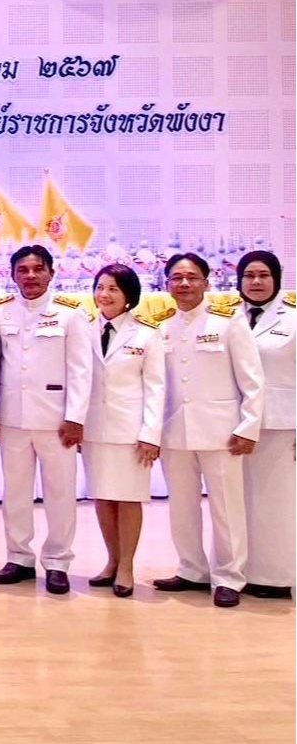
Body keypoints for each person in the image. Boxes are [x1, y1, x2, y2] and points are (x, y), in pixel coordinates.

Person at [153, 252, 263, 608]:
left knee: (227, 508)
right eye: (176, 278)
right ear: (166, 284)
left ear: (206, 281)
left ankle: (230, 576)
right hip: (174, 432)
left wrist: (249, 426)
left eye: (192, 278)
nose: (184, 284)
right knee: (181, 506)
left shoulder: (229, 323)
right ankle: (191, 569)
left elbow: (252, 380)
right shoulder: (162, 327)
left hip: (222, 433)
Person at [0, 244, 92, 596]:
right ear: (13, 275)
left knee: (60, 493)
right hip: (13, 418)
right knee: (15, 493)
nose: (30, 276)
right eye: (23, 270)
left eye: (37, 269)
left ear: (51, 273)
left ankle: (58, 561)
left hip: (56, 420)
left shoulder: (70, 314)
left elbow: (82, 370)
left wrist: (76, 417)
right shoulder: (1, 313)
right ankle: (18, 557)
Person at [82, 264, 165, 599]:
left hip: (131, 433)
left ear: (129, 295)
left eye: (113, 288)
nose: (105, 294)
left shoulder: (147, 335)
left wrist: (150, 434)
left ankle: (128, 565)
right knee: (103, 496)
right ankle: (111, 560)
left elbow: (156, 388)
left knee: (128, 499)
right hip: (93, 430)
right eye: (100, 287)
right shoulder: (84, 329)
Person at [236, 251, 294, 599]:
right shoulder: (226, 318)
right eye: (249, 276)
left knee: (277, 502)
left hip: (281, 424)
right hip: (236, 426)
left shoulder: (293, 319)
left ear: (276, 279)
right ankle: (236, 570)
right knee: (237, 502)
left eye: (263, 275)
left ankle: (276, 575)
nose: (256, 282)